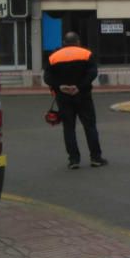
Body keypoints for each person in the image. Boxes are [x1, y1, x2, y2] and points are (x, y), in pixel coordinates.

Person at [43, 32, 108, 169]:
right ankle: (95, 158)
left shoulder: (54, 57)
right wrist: (79, 87)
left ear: (63, 42)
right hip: (83, 95)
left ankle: (74, 160)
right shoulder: (86, 54)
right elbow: (92, 73)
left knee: (69, 128)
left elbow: (47, 77)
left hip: (63, 97)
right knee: (90, 126)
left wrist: (60, 86)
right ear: (78, 41)